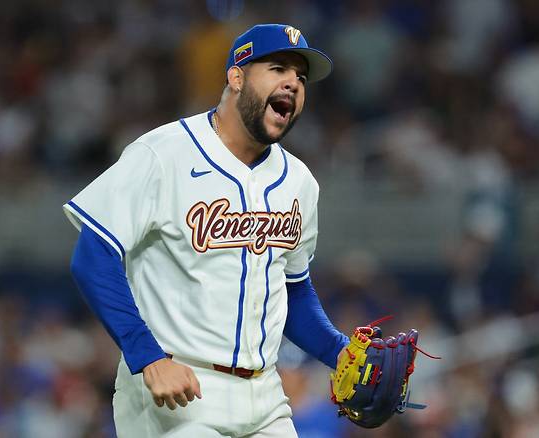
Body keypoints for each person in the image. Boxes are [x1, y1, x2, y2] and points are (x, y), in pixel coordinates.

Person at [64, 24, 349, 437]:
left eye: (301, 78)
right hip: (175, 387)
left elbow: (292, 289)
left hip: (266, 393)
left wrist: (339, 352)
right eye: (277, 69)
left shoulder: (299, 181)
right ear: (236, 77)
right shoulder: (162, 154)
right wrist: (147, 356)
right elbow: (92, 256)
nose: (293, 82)